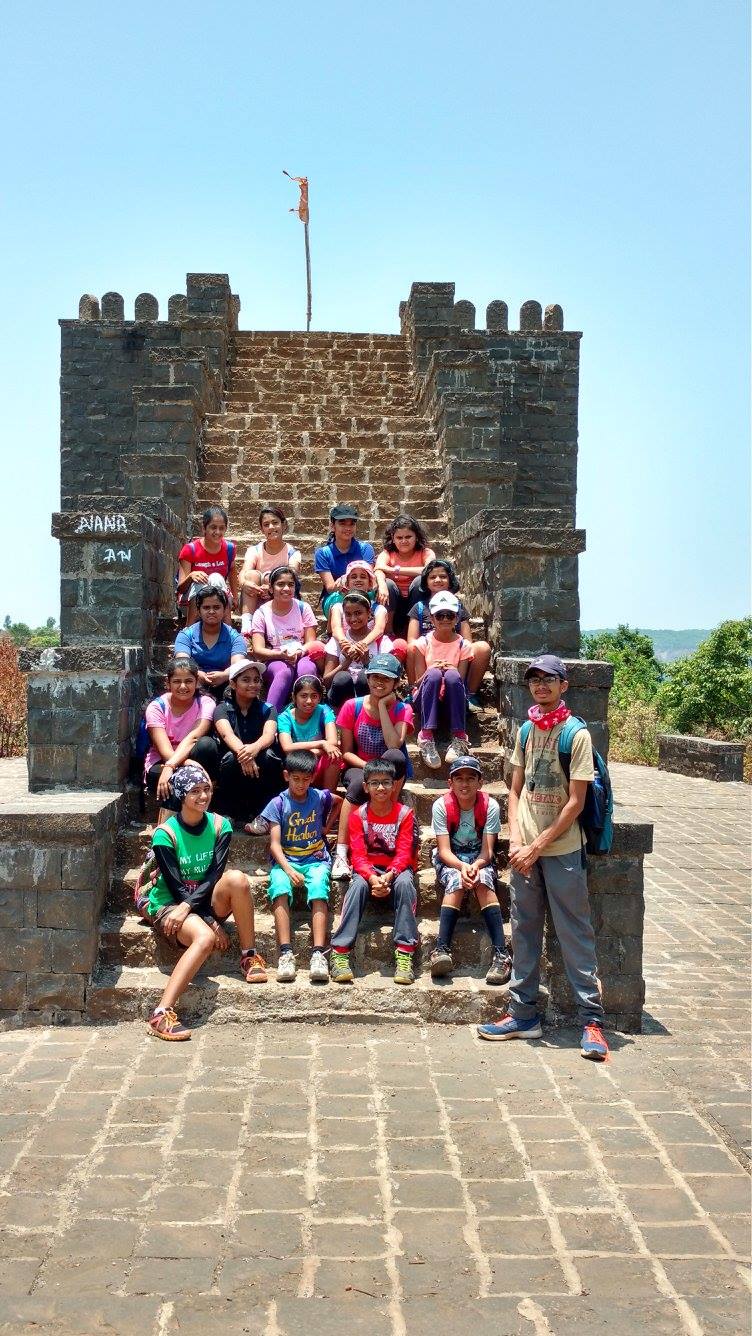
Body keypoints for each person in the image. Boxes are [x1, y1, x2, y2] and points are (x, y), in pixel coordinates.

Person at [477, 654, 609, 1061]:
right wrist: (517, 841)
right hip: (525, 853)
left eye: (549, 679)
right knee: (525, 931)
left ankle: (592, 1021)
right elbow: (515, 790)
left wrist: (536, 846)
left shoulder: (576, 735)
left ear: (563, 685)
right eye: (534, 679)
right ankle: (522, 1015)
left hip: (562, 850)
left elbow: (575, 802)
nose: (540, 685)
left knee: (574, 933)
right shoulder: (526, 729)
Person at [145, 762, 268, 1041]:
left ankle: (249, 956)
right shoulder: (165, 834)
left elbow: (214, 875)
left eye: (206, 789)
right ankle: (161, 1013)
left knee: (237, 879)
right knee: (204, 938)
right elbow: (176, 887)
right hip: (171, 904)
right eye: (195, 791)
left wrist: (206, 915)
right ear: (181, 795)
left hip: (197, 901)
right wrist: (209, 922)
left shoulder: (220, 825)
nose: (203, 796)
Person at [330, 758, 419, 986]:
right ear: (366, 786)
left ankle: (405, 953)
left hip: (396, 870)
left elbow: (404, 853)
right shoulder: (358, 816)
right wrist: (372, 878)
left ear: (394, 785)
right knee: (357, 886)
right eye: (375, 783)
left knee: (405, 884)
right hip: (368, 869)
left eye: (386, 782)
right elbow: (358, 856)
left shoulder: (405, 814)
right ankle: (340, 952)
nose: (381, 788)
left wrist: (388, 876)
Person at [429, 755, 511, 985]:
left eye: (470, 778)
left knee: (483, 881)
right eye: (459, 779)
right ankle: (441, 948)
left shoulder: (490, 806)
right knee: (455, 881)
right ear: (450, 783)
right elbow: (444, 851)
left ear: (480, 782)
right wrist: (462, 867)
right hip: (452, 858)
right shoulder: (441, 806)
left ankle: (501, 954)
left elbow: (488, 851)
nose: (464, 784)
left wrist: (475, 866)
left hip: (479, 858)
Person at [331, 653, 414, 880]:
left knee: (396, 756)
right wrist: (370, 768)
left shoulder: (403, 709)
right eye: (375, 677)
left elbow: (393, 744)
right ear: (367, 679)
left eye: (386, 679)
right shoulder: (352, 706)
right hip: (359, 765)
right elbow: (347, 752)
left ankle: (390, 819)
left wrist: (384, 707)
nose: (379, 682)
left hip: (390, 768)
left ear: (396, 683)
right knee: (359, 782)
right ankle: (341, 853)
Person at [260, 750, 334, 984]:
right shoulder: (278, 803)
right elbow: (274, 844)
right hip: (287, 860)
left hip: (315, 859)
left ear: (312, 778)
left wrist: (326, 827)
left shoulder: (319, 797)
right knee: (279, 886)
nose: (301, 784)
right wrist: (289, 870)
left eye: (306, 779)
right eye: (296, 779)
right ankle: (285, 953)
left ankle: (318, 953)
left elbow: (340, 802)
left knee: (319, 886)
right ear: (286, 776)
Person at [407, 559, 492, 712]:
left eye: (443, 576)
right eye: (433, 577)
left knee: (482, 648)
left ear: (450, 580)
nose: (438, 580)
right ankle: (416, 690)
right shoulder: (419, 607)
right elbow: (412, 639)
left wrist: (452, 654)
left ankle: (468, 694)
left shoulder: (458, 607)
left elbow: (467, 640)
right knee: (412, 646)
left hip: (454, 653)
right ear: (426, 582)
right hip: (427, 653)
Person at [213, 658, 284, 834]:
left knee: (269, 757)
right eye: (246, 680)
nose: (253, 684)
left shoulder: (268, 708)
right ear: (233, 684)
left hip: (259, 767)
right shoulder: (222, 709)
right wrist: (244, 755)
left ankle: (265, 814)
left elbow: (269, 735)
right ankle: (228, 813)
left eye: (256, 680)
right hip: (234, 769)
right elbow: (227, 734)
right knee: (230, 759)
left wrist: (253, 749)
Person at [143, 657, 219, 811]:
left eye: (189, 681)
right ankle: (172, 822)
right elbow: (165, 751)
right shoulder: (157, 707)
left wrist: (173, 765)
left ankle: (201, 815)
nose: (183, 686)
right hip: (161, 762)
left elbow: (194, 737)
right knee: (180, 777)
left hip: (191, 759)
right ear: (168, 683)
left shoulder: (205, 703)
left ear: (197, 682)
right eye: (177, 681)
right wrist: (183, 764)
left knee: (206, 745)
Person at [249, 565, 327, 712]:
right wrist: (281, 655)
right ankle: (270, 718)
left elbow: (311, 643)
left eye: (290, 584)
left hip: (302, 653)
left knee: (307, 669)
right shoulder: (262, 613)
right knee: (284, 672)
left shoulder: (303, 608)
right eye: (280, 584)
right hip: (274, 657)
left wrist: (298, 653)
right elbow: (258, 650)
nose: (286, 588)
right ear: (271, 588)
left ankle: (309, 717)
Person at [412, 591, 474, 769]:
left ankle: (459, 736)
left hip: (451, 699)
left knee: (453, 675)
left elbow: (460, 680)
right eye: (440, 615)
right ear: (432, 619)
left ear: (457, 618)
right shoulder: (423, 643)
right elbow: (418, 682)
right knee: (433, 675)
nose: (445, 619)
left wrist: (451, 669)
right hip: (427, 697)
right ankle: (426, 735)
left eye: (450, 615)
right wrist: (432, 669)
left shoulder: (463, 645)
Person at [322, 591, 405, 710]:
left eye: (358, 613)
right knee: (342, 678)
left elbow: (389, 680)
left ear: (369, 613)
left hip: (372, 699)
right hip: (341, 698)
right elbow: (326, 681)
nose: (353, 618)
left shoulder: (382, 642)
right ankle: (341, 716)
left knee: (364, 676)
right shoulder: (338, 641)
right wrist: (346, 663)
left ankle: (368, 714)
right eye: (348, 614)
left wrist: (367, 662)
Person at [173, 585, 247, 698]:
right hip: (194, 682)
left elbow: (238, 665)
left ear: (225, 610)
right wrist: (198, 674)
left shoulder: (235, 637)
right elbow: (182, 662)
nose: (211, 611)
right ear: (198, 611)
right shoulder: (186, 635)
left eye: (216, 607)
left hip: (226, 683)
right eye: (206, 607)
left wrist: (224, 675)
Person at [314, 504, 387, 617]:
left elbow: (369, 580)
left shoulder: (365, 549)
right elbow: (330, 587)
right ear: (332, 526)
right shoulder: (323, 553)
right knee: (337, 606)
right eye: (342, 523)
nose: (348, 528)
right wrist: (343, 583)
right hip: (337, 595)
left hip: (363, 593)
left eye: (352, 524)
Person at [239, 505, 302, 632]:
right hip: (256, 597)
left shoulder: (292, 553)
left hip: (281, 598)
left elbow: (292, 576)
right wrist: (245, 584)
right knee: (251, 575)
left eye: (275, 523)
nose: (271, 527)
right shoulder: (254, 550)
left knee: (273, 577)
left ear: (283, 525)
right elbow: (243, 573)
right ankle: (247, 627)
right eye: (266, 525)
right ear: (261, 529)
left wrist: (271, 588)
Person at [277, 675, 342, 791]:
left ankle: (327, 797)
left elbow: (332, 742)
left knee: (334, 755)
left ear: (320, 697)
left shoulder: (324, 711)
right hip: (296, 763)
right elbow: (287, 747)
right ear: (294, 697)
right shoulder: (285, 717)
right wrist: (322, 743)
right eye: (303, 696)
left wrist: (311, 751)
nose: (309, 701)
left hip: (317, 762)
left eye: (314, 696)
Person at [176, 505, 238, 626]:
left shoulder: (229, 549)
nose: (217, 532)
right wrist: (191, 576)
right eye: (213, 527)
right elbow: (181, 589)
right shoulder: (190, 550)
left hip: (219, 602)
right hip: (191, 604)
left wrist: (235, 597)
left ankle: (228, 631)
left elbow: (232, 571)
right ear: (204, 528)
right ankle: (189, 629)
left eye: (221, 528)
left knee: (216, 578)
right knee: (201, 580)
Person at [374, 513, 435, 634]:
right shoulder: (388, 553)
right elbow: (378, 569)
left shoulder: (426, 552)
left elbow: (429, 570)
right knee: (387, 584)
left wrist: (393, 570)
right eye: (399, 538)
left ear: (416, 537)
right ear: (393, 539)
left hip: (417, 600)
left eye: (408, 537)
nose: (404, 541)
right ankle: (388, 631)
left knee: (419, 581)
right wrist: (382, 585)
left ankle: (415, 630)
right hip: (394, 602)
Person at [327, 560, 388, 642]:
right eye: (354, 577)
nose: (358, 579)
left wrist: (362, 644)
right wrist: (345, 644)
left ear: (370, 583)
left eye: (363, 577)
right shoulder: (338, 607)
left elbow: (379, 630)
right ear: (347, 583)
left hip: (370, 645)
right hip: (343, 645)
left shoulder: (378, 609)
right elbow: (336, 629)